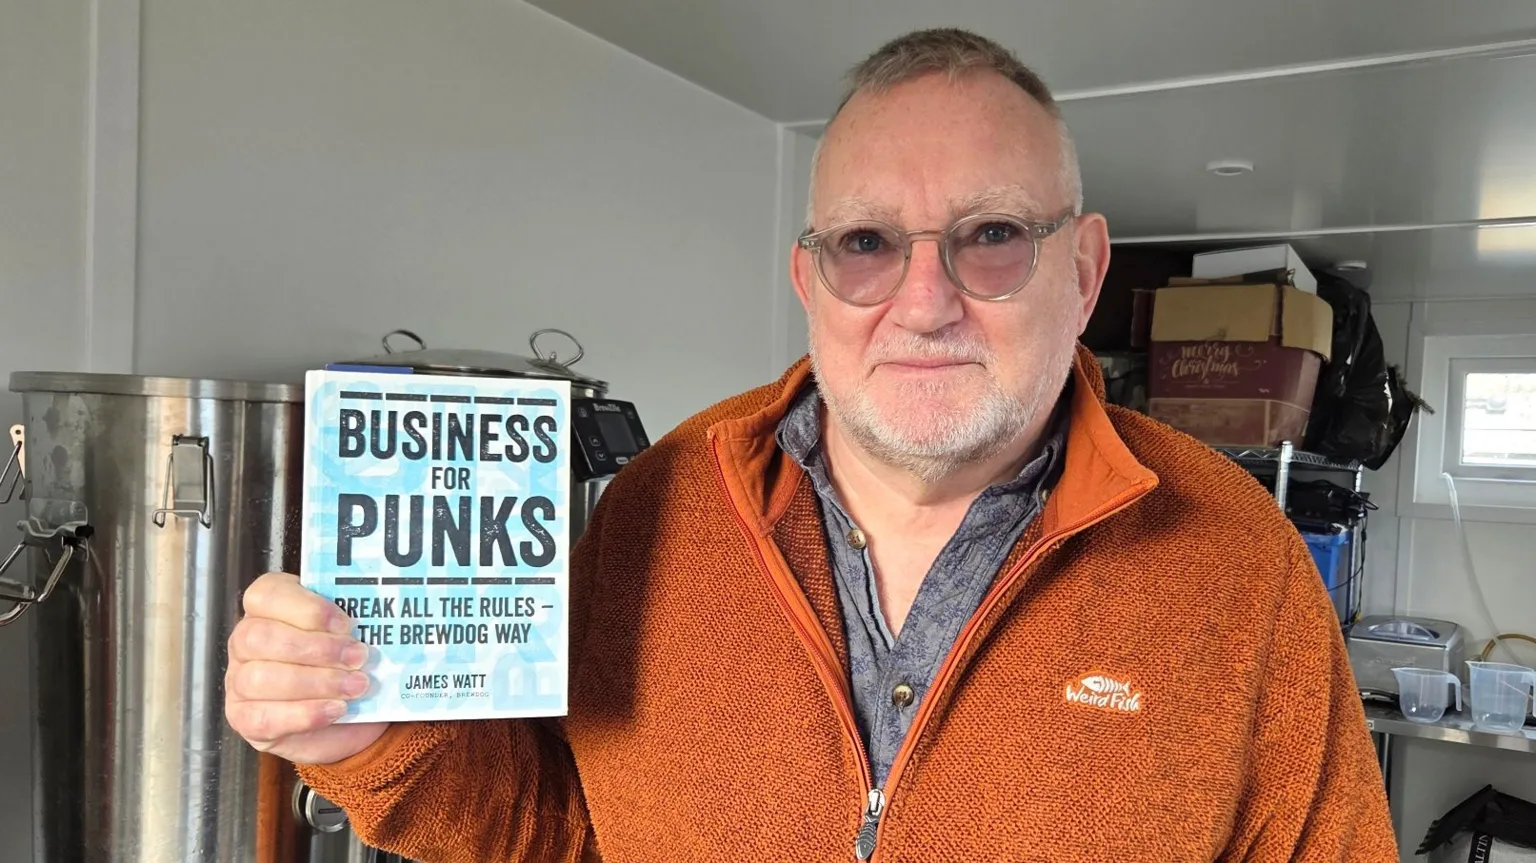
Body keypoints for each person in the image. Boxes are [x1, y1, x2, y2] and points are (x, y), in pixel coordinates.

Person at [225, 28, 1398, 862]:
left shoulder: (1238, 565)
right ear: (811, 276)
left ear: (1083, 268)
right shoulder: (657, 504)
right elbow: (557, 832)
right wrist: (363, 733)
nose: (925, 299)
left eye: (991, 235)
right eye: (868, 241)